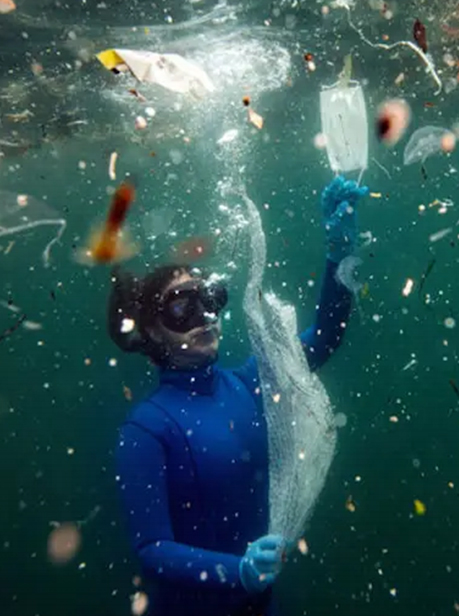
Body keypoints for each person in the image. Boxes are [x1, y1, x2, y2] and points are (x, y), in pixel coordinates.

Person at [107, 175, 368, 616]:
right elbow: (151, 549)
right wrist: (237, 570)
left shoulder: (249, 382)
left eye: (210, 298)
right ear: (151, 329)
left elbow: (324, 337)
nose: (204, 316)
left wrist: (339, 254)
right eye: (180, 306)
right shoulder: (147, 429)